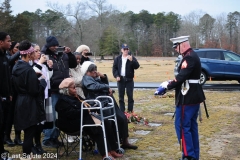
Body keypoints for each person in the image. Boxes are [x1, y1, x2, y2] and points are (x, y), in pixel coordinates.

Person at [160, 36, 206, 160]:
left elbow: (181, 77)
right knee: (191, 127)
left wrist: (167, 86)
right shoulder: (192, 55)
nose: (175, 49)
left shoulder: (189, 57)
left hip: (188, 97)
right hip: (193, 96)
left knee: (181, 126)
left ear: (183, 44)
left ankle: (188, 155)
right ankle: (193, 154)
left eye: (176, 46)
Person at [55, 78, 123, 159]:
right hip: (71, 125)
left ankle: (113, 149)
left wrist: (93, 106)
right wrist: (87, 110)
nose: (75, 89)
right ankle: (105, 153)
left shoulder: (76, 96)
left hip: (82, 120)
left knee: (106, 122)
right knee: (97, 127)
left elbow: (86, 103)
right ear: (66, 90)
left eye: (75, 87)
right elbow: (72, 114)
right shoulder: (62, 101)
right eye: (73, 88)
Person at [81, 61, 138, 150]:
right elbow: (94, 87)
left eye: (95, 70)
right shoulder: (86, 78)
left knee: (122, 118)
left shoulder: (95, 78)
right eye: (93, 70)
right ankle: (114, 144)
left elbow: (104, 84)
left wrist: (103, 77)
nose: (95, 72)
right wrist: (106, 88)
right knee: (111, 121)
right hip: (99, 103)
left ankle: (125, 141)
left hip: (106, 100)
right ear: (87, 71)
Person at [12, 40, 47, 159]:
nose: (35, 55)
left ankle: (28, 156)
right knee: (29, 133)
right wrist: (42, 83)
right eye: (33, 52)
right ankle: (26, 156)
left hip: (20, 101)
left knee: (27, 131)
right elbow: (34, 91)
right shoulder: (28, 70)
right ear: (29, 54)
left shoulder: (17, 66)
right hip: (30, 103)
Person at [41, 36, 77, 148]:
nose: (55, 47)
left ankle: (55, 137)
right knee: (51, 115)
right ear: (48, 45)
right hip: (53, 89)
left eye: (56, 45)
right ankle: (48, 139)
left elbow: (73, 64)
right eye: (53, 46)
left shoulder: (63, 55)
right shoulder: (45, 56)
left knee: (60, 115)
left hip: (64, 89)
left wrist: (70, 54)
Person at [4, 41, 23, 147]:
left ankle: (18, 137)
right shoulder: (7, 58)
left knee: (18, 115)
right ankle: (7, 137)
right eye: (17, 48)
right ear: (12, 49)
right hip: (10, 91)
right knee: (9, 116)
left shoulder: (19, 60)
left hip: (18, 90)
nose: (19, 49)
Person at [0, 32, 15, 160]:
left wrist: (9, 93)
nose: (10, 43)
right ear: (1, 42)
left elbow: (7, 78)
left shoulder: (5, 56)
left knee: (4, 125)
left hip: (6, 97)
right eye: (8, 41)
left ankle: (2, 152)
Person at [112, 43, 140, 112]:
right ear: (121, 50)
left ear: (128, 50)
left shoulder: (131, 57)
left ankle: (130, 111)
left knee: (130, 96)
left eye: (127, 49)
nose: (126, 50)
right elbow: (114, 68)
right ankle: (122, 111)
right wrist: (117, 76)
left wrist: (132, 61)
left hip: (129, 80)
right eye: (124, 49)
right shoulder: (118, 58)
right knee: (121, 97)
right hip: (121, 80)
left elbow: (137, 66)